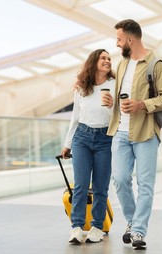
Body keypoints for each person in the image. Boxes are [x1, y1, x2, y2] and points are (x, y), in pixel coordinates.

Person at [107, 19, 162, 249]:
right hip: (120, 132)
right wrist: (110, 102)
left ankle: (138, 231)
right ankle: (132, 220)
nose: (117, 44)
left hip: (146, 133)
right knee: (120, 179)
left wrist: (142, 105)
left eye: (119, 39)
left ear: (130, 39)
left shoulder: (155, 65)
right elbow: (120, 98)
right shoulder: (121, 65)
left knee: (145, 184)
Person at [61, 49, 115, 244]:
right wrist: (67, 144)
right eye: (103, 58)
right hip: (82, 137)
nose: (108, 61)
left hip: (105, 138)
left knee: (101, 187)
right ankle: (76, 227)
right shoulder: (81, 87)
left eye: (109, 58)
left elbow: (117, 118)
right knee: (81, 185)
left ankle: (97, 227)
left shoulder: (114, 86)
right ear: (94, 61)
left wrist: (110, 106)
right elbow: (75, 118)